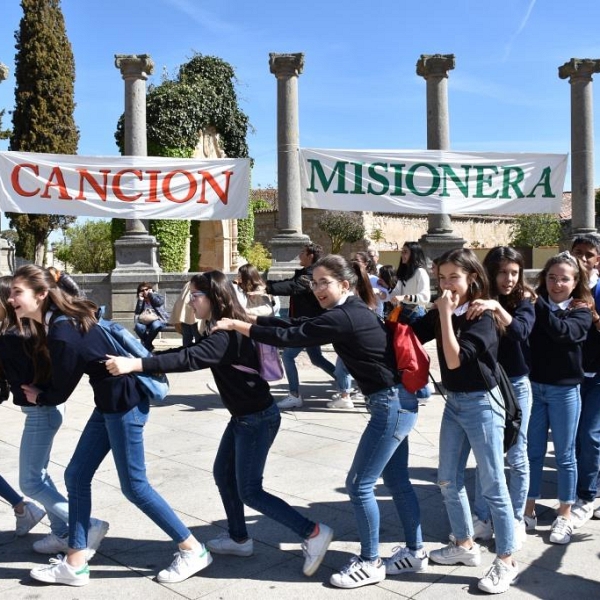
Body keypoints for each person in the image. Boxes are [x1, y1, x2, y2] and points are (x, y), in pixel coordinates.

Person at [213, 255, 425, 589]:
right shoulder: (346, 312)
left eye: (324, 282)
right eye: (314, 283)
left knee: (359, 485)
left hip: (390, 405)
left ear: (345, 284)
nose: (317, 289)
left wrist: (238, 324)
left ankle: (370, 562)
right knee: (397, 480)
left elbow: (292, 337)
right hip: (397, 400)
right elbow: (294, 328)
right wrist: (248, 318)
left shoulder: (346, 315)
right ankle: (415, 552)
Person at [105, 271, 333, 578]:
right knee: (224, 475)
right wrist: (148, 355)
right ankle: (239, 538)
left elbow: (190, 360)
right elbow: (188, 352)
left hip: (256, 419)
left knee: (249, 490)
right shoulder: (219, 328)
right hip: (245, 417)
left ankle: (313, 532)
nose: (191, 302)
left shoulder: (226, 335)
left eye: (195, 296)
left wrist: (136, 364)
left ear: (214, 298)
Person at [9, 265, 206, 587]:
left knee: (135, 487)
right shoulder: (60, 321)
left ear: (41, 295)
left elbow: (62, 388)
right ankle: (75, 562)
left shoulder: (61, 331)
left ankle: (192, 548)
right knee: (75, 475)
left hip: (124, 403)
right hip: (111, 402)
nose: (11, 298)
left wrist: (39, 395)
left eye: (18, 292)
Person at [410, 248, 518, 595]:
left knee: (493, 485)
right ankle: (465, 544)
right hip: (454, 404)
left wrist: (443, 314)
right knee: (446, 479)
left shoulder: (481, 315)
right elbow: (410, 333)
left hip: (482, 405)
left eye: (453, 277)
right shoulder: (448, 309)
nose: (446, 285)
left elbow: (454, 361)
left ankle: (506, 560)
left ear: (472, 277)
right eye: (441, 278)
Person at [0, 274, 105, 556]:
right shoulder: (29, 329)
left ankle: (84, 524)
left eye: (14, 295)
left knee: (31, 482)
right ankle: (62, 532)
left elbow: (24, 377)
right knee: (39, 476)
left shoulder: (13, 336)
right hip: (44, 409)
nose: (11, 300)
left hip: (41, 411)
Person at [465, 247, 536, 550]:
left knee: (516, 455)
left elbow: (519, 331)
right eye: (503, 272)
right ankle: (483, 517)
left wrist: (495, 306)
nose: (509, 279)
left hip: (517, 386)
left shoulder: (525, 301)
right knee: (486, 456)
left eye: (515, 273)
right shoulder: (477, 298)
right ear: (491, 272)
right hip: (488, 386)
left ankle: (517, 518)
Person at [524, 252, 592, 545]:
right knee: (532, 453)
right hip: (535, 389)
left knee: (565, 455)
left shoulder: (581, 311)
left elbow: (563, 332)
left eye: (564, 278)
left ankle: (565, 514)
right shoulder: (533, 307)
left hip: (565, 392)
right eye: (551, 277)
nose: (556, 284)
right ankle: (527, 511)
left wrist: (536, 303)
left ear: (575, 282)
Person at [264, 243, 336, 409]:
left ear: (310, 256)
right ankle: (344, 385)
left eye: (302, 252)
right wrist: (267, 285)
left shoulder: (312, 274)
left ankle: (294, 395)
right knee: (317, 359)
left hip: (307, 324)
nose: (299, 255)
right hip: (309, 323)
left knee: (288, 356)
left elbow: (293, 287)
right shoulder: (307, 272)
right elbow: (290, 282)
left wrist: (267, 288)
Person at [570, 234, 600, 526]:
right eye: (576, 252)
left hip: (598, 375)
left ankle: (587, 495)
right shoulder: (564, 286)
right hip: (571, 376)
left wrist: (594, 316)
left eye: (587, 254)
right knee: (576, 437)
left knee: (590, 436)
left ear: (597, 260)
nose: (582, 258)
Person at [390, 242, 431, 311]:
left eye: (405, 252)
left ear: (414, 254)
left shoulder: (420, 272)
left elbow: (425, 297)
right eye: (402, 252)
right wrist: (382, 292)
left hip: (415, 313)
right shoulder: (404, 272)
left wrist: (405, 297)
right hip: (403, 311)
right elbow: (396, 292)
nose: (402, 255)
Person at [133, 282, 169, 351]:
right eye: (142, 290)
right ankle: (149, 344)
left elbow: (158, 303)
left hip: (158, 319)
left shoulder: (157, 296)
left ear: (150, 289)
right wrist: (140, 301)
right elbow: (137, 312)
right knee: (138, 327)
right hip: (145, 321)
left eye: (146, 289)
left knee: (155, 325)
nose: (144, 292)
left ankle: (147, 345)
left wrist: (151, 295)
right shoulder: (141, 299)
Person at [169, 281, 203, 346]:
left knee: (187, 338)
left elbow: (180, 302)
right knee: (196, 338)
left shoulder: (189, 284)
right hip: (194, 316)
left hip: (185, 315)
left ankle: (187, 354)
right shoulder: (198, 283)